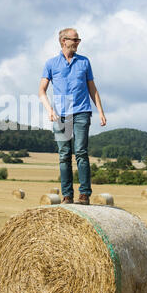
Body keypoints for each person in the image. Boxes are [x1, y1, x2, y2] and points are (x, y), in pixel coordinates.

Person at [39, 28, 106, 205]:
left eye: (78, 40)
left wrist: (100, 111)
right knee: (64, 155)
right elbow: (41, 91)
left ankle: (84, 194)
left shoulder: (84, 62)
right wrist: (49, 110)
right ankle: (67, 196)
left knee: (81, 152)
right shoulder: (51, 64)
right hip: (61, 114)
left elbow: (92, 88)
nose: (77, 43)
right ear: (64, 41)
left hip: (82, 111)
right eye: (75, 40)